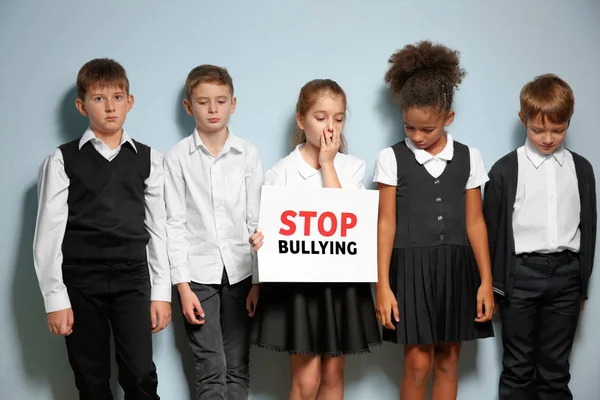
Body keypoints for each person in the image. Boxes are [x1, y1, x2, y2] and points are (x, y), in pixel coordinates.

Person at [33, 58, 171, 400]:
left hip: (132, 278)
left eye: (118, 97)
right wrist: (55, 298)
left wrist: (160, 293)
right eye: (99, 98)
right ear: (82, 106)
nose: (110, 106)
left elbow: (158, 229)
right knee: (91, 378)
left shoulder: (150, 159)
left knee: (140, 374)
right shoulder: (62, 160)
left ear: (130, 102)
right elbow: (48, 233)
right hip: (80, 280)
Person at [374, 41, 494, 400]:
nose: (417, 137)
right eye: (410, 127)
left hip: (458, 268)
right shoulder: (391, 158)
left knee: (448, 358)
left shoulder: (471, 157)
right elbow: (385, 224)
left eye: (427, 129)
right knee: (418, 362)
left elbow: (476, 222)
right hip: (410, 268)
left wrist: (486, 281)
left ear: (449, 119)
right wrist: (383, 285)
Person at [249, 79, 381, 400]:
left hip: (340, 286)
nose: (330, 127)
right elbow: (265, 232)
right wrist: (256, 281)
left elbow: (348, 220)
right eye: (321, 118)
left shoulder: (351, 168)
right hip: (298, 289)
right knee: (307, 381)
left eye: (338, 119)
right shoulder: (281, 172)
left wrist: (327, 163)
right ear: (301, 120)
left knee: (334, 376)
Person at [484, 73, 597, 400]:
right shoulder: (505, 170)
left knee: (555, 368)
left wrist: (582, 286)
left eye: (558, 130)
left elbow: (588, 228)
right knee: (518, 367)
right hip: (519, 278)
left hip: (566, 278)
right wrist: (492, 287)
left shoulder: (582, 170)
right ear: (524, 120)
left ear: (568, 123)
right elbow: (491, 234)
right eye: (538, 129)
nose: (548, 138)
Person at [164, 64, 263, 399]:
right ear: (189, 107)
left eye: (220, 101)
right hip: (197, 276)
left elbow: (256, 221)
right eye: (203, 102)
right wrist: (182, 288)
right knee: (211, 368)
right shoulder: (177, 159)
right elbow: (173, 224)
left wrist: (257, 282)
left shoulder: (248, 155)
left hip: (241, 274)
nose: (213, 109)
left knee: (237, 365)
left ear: (233, 104)